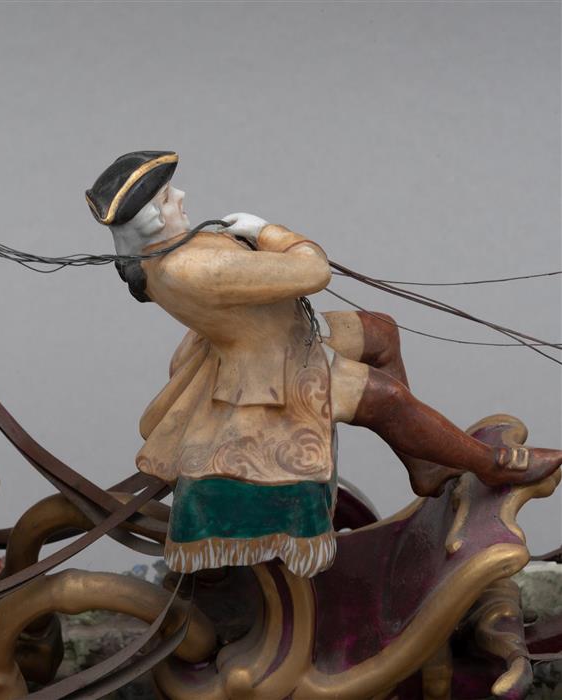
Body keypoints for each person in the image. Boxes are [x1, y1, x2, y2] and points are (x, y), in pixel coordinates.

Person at [86, 150, 562, 578]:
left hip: (287, 331)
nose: (181, 198)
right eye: (169, 198)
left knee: (381, 332)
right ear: (151, 220)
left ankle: (424, 465)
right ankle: (493, 465)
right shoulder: (189, 267)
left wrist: (247, 241)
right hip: (274, 367)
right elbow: (313, 270)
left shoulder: (175, 248)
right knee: (387, 399)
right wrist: (268, 232)